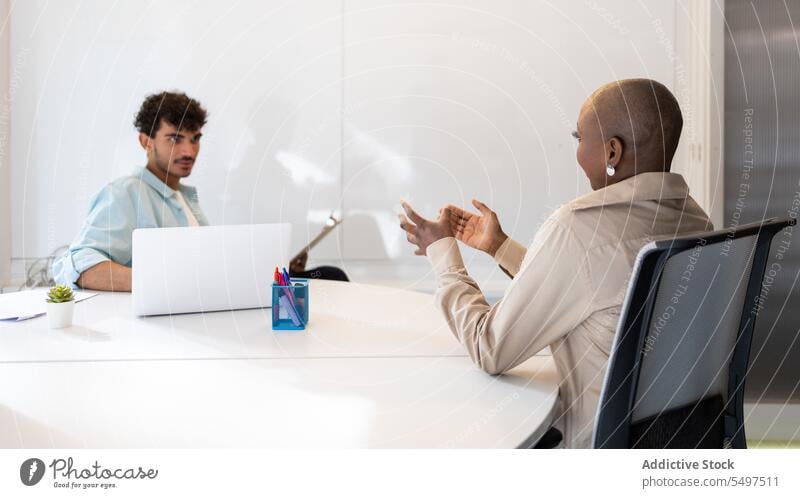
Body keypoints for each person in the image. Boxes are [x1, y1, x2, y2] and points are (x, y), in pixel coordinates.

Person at [398, 79, 712, 449]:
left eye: (580, 138)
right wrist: (500, 247)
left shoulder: (579, 227)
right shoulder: (698, 222)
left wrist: (443, 254)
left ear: (612, 152)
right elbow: (594, 285)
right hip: (680, 444)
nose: (577, 151)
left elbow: (490, 348)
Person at [53, 91, 346, 291]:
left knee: (330, 278)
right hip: (168, 321)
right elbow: (77, 265)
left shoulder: (184, 199)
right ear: (146, 142)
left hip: (203, 305)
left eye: (195, 139)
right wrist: (163, 282)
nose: (188, 151)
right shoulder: (126, 194)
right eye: (175, 139)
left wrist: (275, 263)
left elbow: (205, 267)